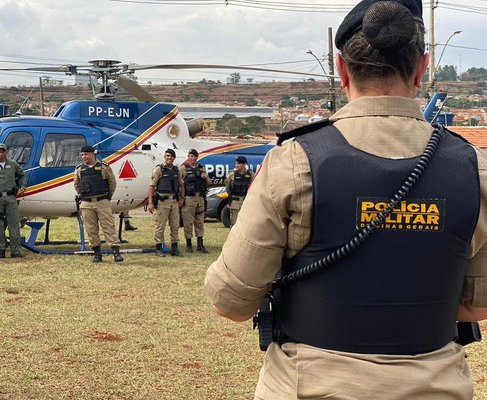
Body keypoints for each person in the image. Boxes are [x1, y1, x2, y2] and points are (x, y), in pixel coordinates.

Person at [205, 1, 487, 398]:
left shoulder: (292, 162)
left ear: (341, 70)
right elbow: (475, 307)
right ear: (422, 68)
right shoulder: (475, 170)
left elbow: (231, 302)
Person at [73, 145, 123, 263]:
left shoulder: (104, 167)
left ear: (93, 154)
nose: (84, 157)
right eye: (82, 155)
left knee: (108, 227)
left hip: (102, 201)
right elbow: (77, 185)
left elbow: (112, 183)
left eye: (86, 154)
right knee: (91, 229)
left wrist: (107, 197)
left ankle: (116, 252)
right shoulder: (80, 169)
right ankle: (97, 254)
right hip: (86, 203)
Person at [148, 148, 185, 257]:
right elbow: (151, 186)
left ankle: (174, 248)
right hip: (162, 201)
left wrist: (182, 198)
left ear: (174, 158)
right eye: (168, 156)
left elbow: (181, 184)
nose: (169, 158)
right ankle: (159, 248)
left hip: (174, 201)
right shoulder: (159, 170)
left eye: (171, 156)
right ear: (165, 157)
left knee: (175, 225)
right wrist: (150, 202)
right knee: (160, 225)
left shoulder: (176, 170)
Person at [179, 149, 211, 253]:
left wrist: (206, 177)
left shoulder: (202, 168)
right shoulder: (183, 169)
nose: (193, 158)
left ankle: (200, 244)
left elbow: (209, 182)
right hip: (189, 198)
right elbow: (179, 184)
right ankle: (189, 244)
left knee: (200, 222)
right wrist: (182, 198)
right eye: (191, 156)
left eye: (195, 156)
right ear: (188, 156)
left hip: (200, 198)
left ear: (197, 157)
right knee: (188, 222)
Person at [224, 155, 252, 228]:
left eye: (239, 163)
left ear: (245, 164)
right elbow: (228, 188)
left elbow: (253, 187)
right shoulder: (232, 175)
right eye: (236, 163)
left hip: (246, 202)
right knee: (234, 224)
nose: (237, 165)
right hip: (235, 202)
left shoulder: (250, 174)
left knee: (246, 224)